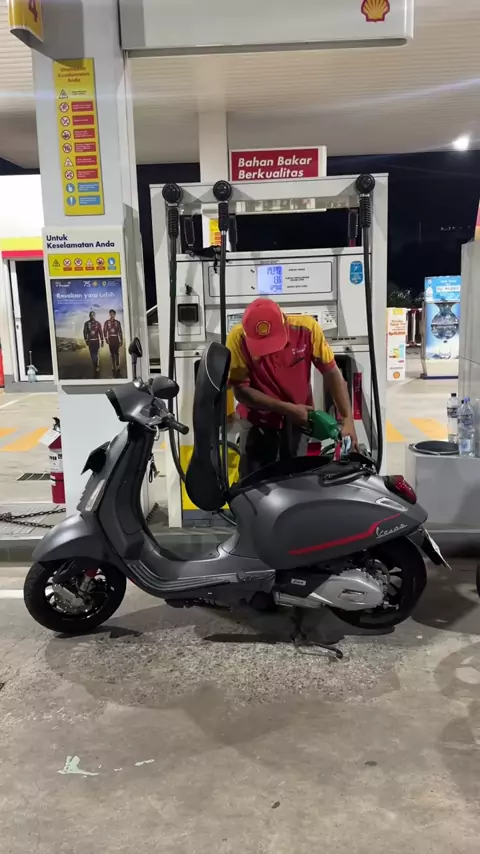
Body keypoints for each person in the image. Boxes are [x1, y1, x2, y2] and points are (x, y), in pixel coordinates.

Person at [226, 297, 358, 477]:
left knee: (295, 479)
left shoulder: (307, 329)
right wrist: (288, 409)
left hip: (299, 421)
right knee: (254, 481)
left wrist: (347, 420)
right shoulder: (237, 338)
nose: (268, 351)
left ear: (285, 323)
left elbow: (332, 373)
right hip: (258, 420)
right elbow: (241, 391)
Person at [83, 310, 104, 377]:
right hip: (90, 342)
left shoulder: (98, 323)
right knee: (92, 355)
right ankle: (95, 363)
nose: (92, 316)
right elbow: (85, 332)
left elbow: (100, 332)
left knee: (97, 354)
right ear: (89, 316)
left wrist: (102, 340)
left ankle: (97, 366)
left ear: (95, 316)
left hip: (96, 341)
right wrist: (86, 340)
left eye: (93, 315)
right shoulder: (86, 323)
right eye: (91, 315)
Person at [103, 309, 123, 377]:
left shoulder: (117, 322)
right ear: (109, 314)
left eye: (113, 313)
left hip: (116, 338)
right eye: (110, 313)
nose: (111, 315)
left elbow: (120, 331)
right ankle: (113, 365)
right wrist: (106, 338)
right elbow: (104, 330)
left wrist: (121, 340)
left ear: (115, 314)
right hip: (110, 339)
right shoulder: (107, 322)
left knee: (117, 353)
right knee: (112, 353)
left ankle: (118, 365)